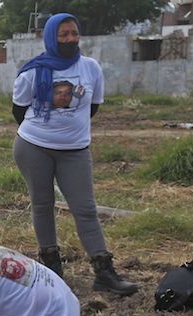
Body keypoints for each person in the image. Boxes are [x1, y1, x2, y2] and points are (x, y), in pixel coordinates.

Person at [11, 13, 137, 296]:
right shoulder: (32, 70)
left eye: (73, 33)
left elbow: (92, 107)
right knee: (42, 205)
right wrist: (47, 133)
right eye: (63, 34)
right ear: (51, 37)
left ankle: (104, 271)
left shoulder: (90, 68)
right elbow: (19, 111)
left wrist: (68, 131)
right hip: (34, 147)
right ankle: (52, 269)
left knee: (85, 209)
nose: (70, 39)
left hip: (75, 151)